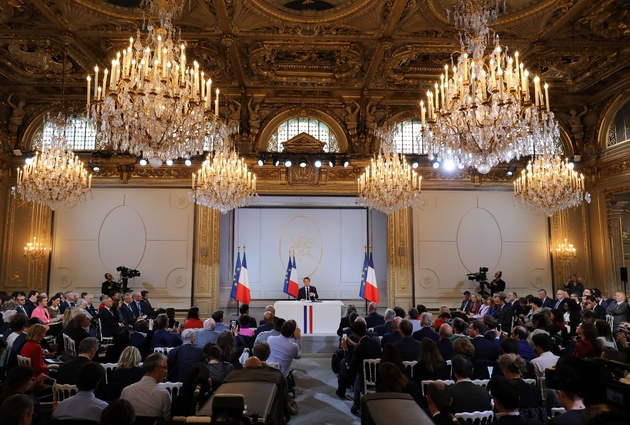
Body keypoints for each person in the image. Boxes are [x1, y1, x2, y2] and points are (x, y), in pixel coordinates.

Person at [337, 320, 381, 415]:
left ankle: (348, 395)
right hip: (377, 374)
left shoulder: (358, 350)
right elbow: (362, 346)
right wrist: (353, 344)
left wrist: (345, 350)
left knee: (344, 364)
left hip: (363, 376)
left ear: (355, 333)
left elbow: (350, 364)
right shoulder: (375, 342)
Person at [120, 353, 171, 420]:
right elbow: (166, 421)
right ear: (156, 370)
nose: (166, 371)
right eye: (165, 367)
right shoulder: (163, 394)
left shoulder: (126, 391)